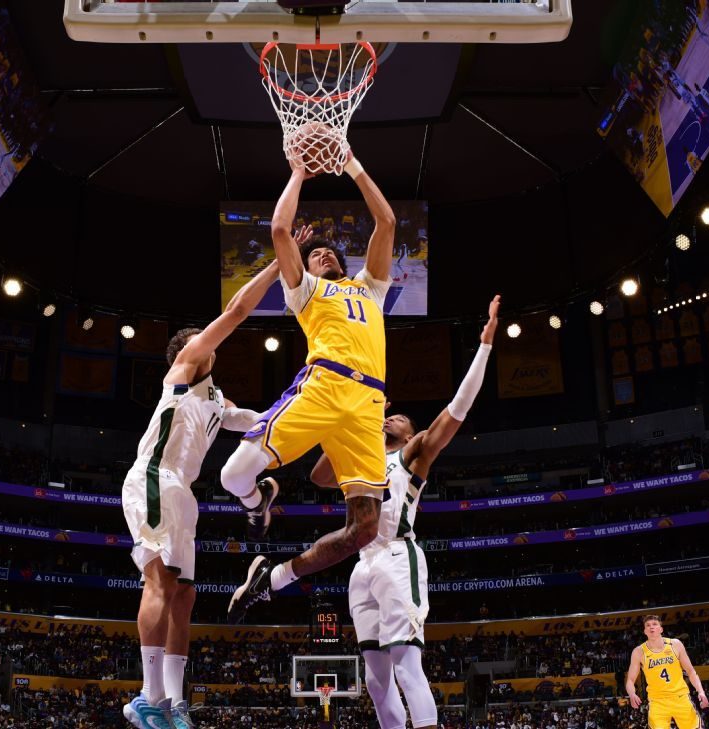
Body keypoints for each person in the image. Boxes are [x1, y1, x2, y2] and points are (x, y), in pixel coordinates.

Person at [223, 151, 396, 622]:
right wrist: (300, 171)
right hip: (323, 386)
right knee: (232, 476)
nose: (324, 253)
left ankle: (272, 578)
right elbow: (280, 232)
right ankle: (259, 504)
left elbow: (386, 220)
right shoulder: (304, 291)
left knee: (365, 529)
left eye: (330, 251)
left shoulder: (370, 289)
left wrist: (353, 162)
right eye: (315, 252)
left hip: (367, 403)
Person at [312, 295, 499, 729]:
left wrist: (485, 347)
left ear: (411, 433)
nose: (389, 418)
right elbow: (321, 475)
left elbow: (455, 412)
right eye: (387, 414)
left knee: (405, 666)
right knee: (376, 682)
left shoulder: (413, 455)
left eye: (396, 417)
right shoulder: (363, 458)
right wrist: (353, 414)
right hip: (362, 566)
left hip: (398, 559)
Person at [121, 257, 285, 729]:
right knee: (159, 584)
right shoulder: (184, 367)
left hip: (184, 493)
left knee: (185, 597)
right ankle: (149, 695)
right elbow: (235, 311)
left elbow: (258, 421)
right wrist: (278, 264)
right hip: (154, 477)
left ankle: (174, 704)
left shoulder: (217, 399)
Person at [625, 615, 709, 729]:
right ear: (645, 631)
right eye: (648, 625)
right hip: (657, 702)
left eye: (655, 624)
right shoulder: (639, 652)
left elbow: (691, 671)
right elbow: (630, 680)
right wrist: (631, 694)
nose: (651, 627)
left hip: (680, 698)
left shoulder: (675, 644)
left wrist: (701, 692)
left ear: (661, 629)